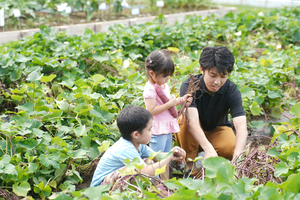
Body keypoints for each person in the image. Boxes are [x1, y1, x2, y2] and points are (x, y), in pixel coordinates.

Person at [175, 46, 248, 173]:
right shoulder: (190, 85)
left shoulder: (231, 90)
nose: (217, 82)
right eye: (213, 75)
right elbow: (192, 122)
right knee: (184, 120)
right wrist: (208, 149)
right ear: (202, 70)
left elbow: (241, 127)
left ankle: (215, 166)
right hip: (192, 131)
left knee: (230, 148)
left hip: (217, 129)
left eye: (223, 76)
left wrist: (237, 158)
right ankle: (190, 168)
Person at [90, 105, 186, 187]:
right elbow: (145, 172)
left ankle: (158, 190)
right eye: (149, 130)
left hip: (113, 183)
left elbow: (157, 157)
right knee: (132, 170)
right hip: (100, 188)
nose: (152, 132)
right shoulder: (125, 148)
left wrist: (172, 154)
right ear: (136, 134)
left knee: (149, 161)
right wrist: (169, 158)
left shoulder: (138, 144)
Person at [143, 49, 192, 154]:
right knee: (157, 160)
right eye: (165, 76)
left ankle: (166, 171)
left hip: (166, 127)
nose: (168, 78)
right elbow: (151, 110)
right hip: (157, 129)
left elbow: (169, 102)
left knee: (166, 158)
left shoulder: (163, 85)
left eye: (169, 75)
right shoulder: (149, 89)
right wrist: (169, 104)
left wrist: (181, 100)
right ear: (151, 73)